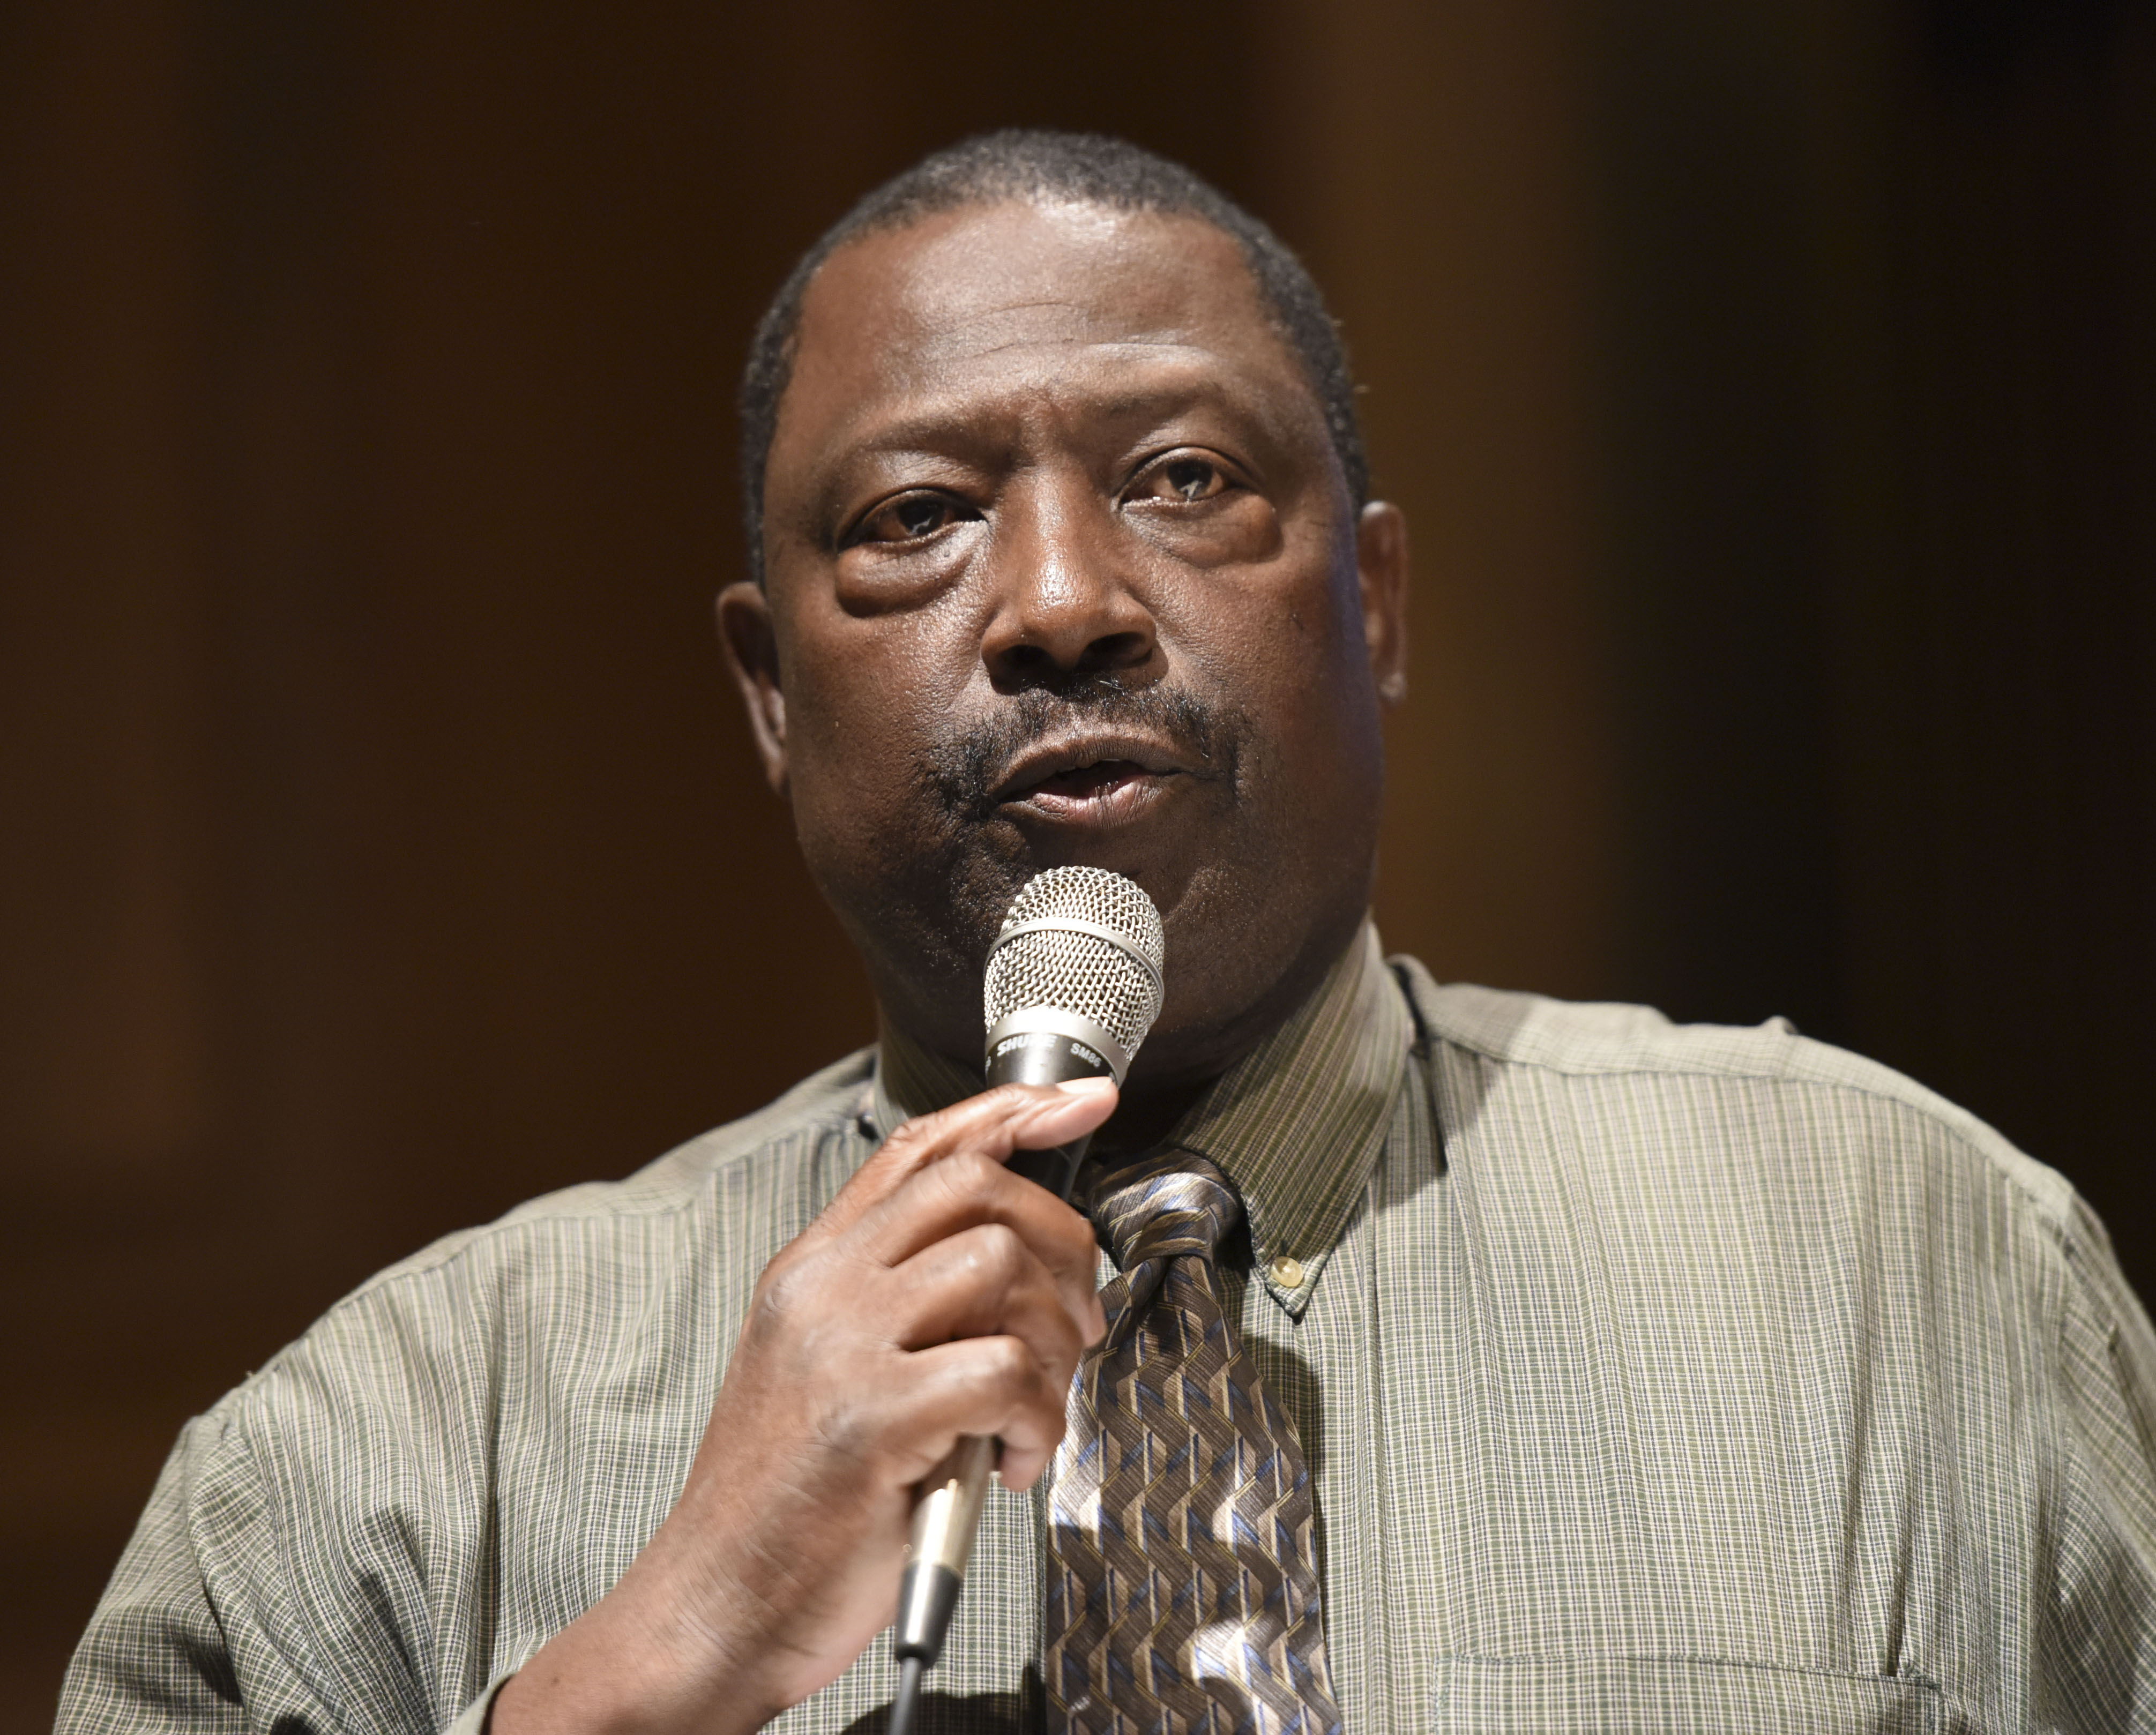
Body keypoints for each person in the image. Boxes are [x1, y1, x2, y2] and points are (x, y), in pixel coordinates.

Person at [59, 131, 2156, 1735]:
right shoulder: (383, 1463)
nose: (1061, 600)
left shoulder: (1911, 1270)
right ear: (772, 694)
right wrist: (643, 1678)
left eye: (1183, 477)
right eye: (916, 518)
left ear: (1374, 605)